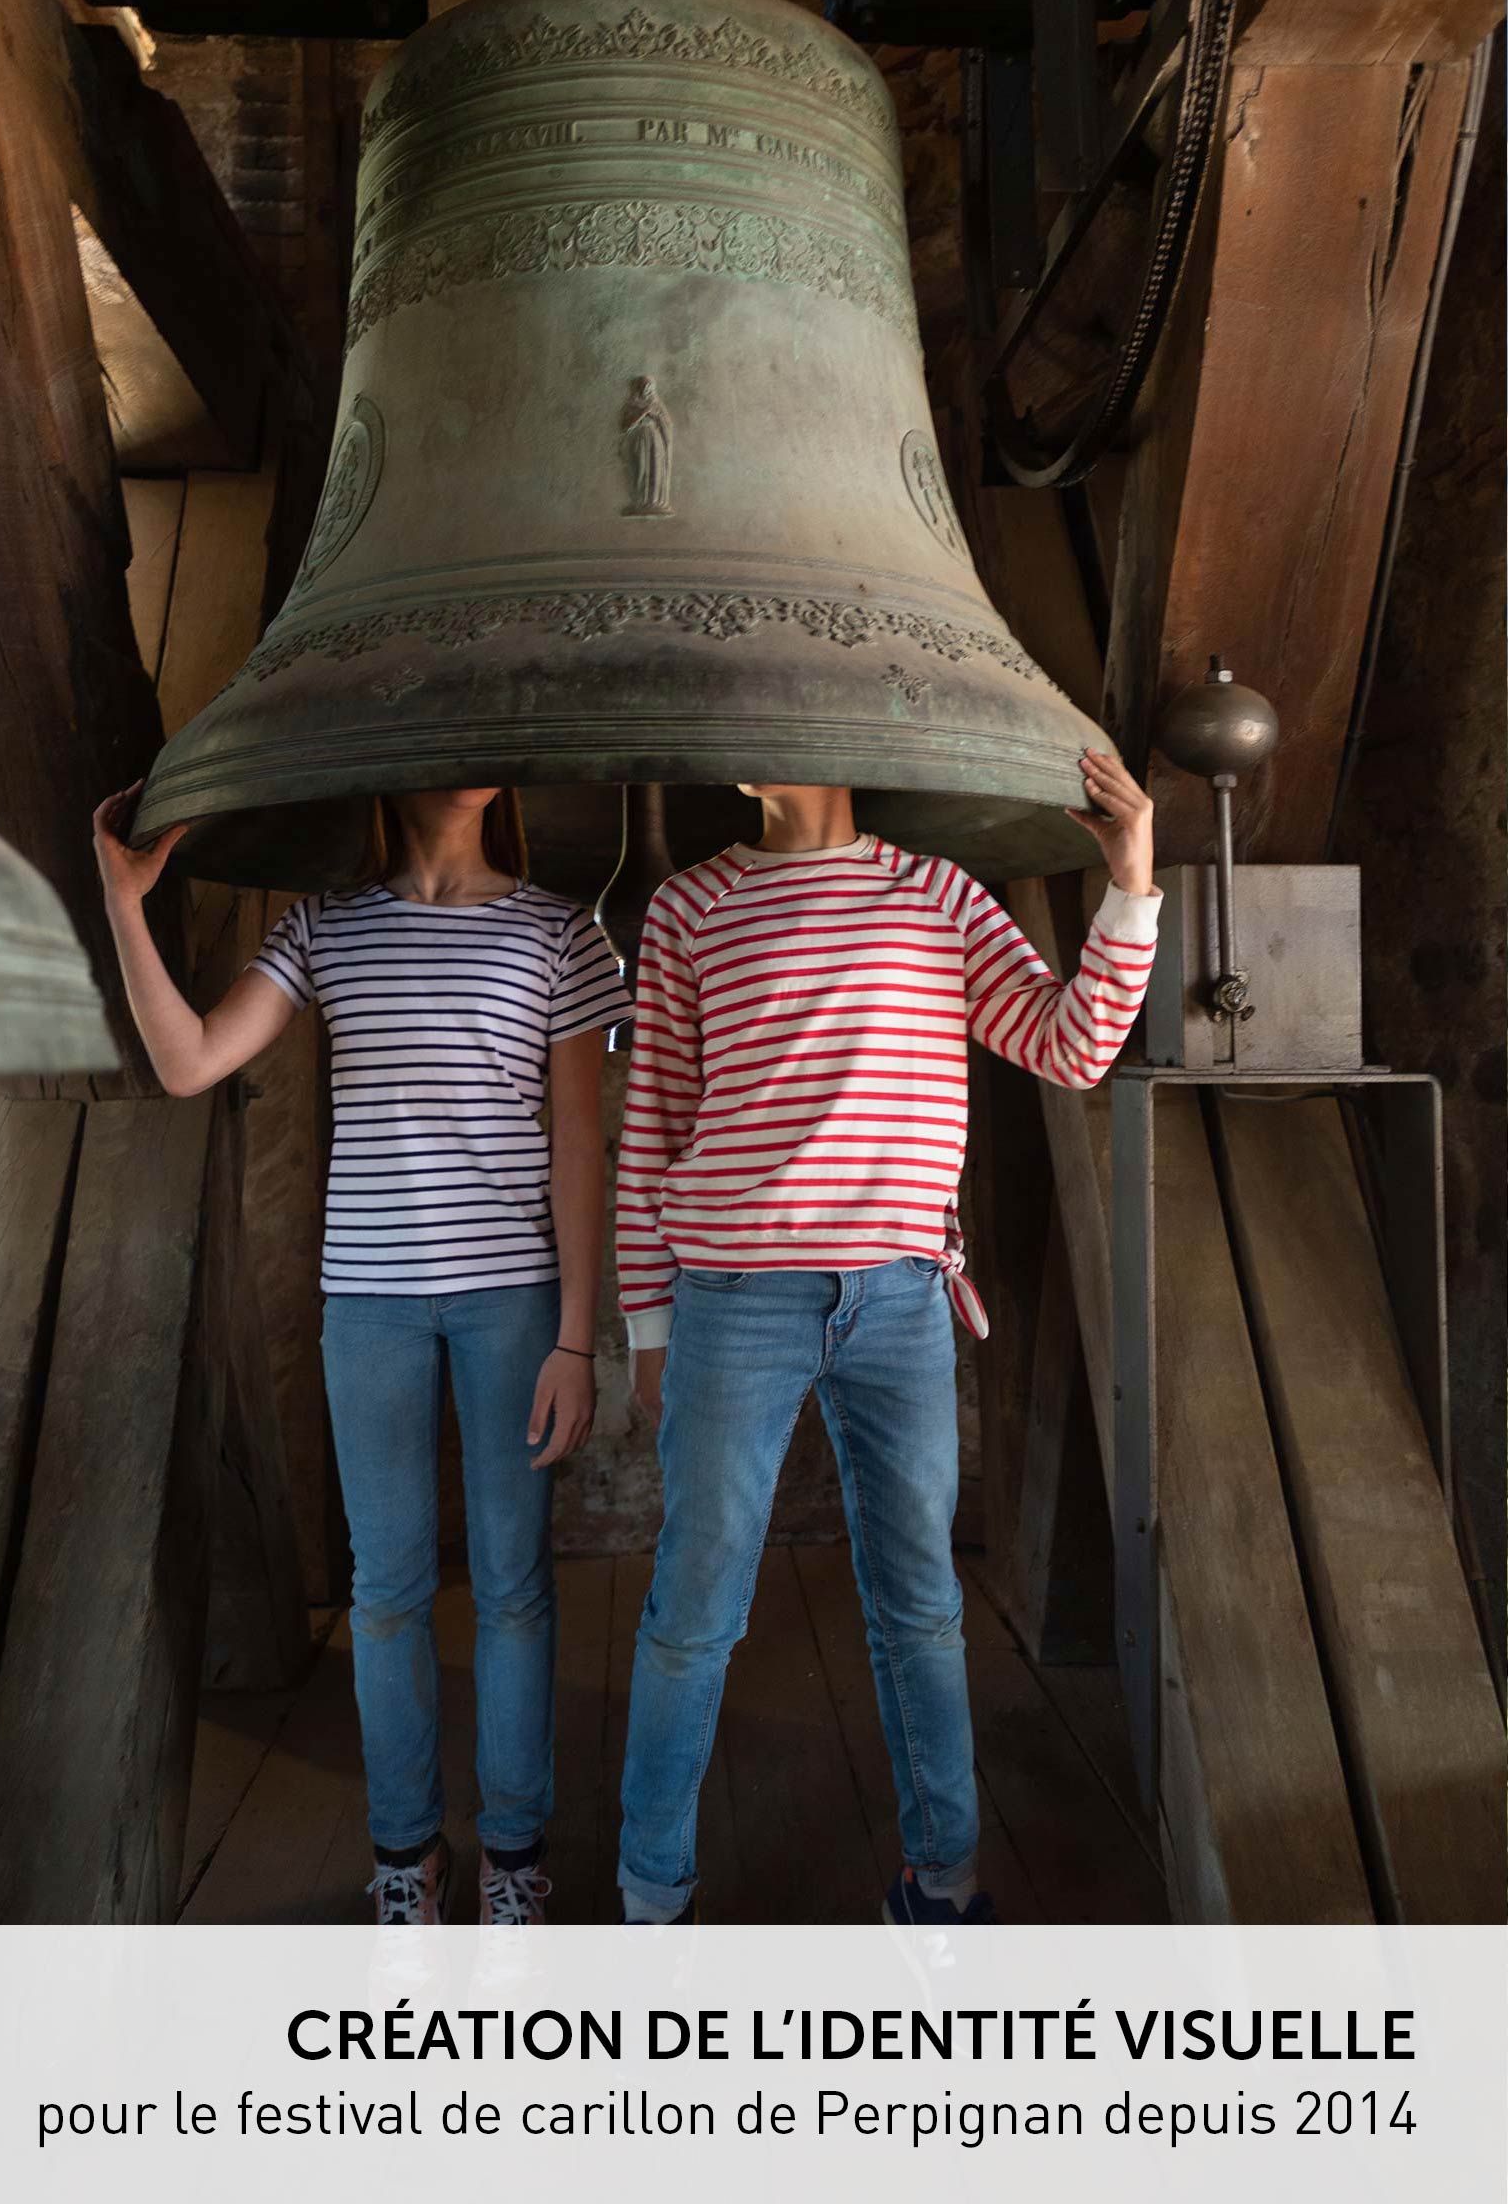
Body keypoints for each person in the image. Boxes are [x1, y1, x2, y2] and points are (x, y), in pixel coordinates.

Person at [613, 749, 1160, 1925]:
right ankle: (649, 1900)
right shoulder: (687, 906)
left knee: (919, 1602)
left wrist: (1128, 879)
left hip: (904, 1300)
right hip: (729, 1300)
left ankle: (944, 1885)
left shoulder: (939, 894)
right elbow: (652, 1118)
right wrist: (647, 1323)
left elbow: (1072, 1047)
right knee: (695, 1608)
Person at [93, 783, 631, 1927]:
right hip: (370, 1304)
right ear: (383, 767)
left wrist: (580, 1336)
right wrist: (124, 901)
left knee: (514, 1590)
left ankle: (515, 1860)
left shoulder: (560, 933)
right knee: (385, 1595)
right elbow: (189, 1061)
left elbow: (578, 1146)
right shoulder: (324, 928)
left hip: (514, 1301)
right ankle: (406, 1860)